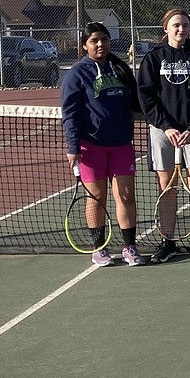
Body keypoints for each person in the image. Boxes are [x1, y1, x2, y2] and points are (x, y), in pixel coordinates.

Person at [60, 22, 149, 267]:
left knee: (126, 195)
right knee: (96, 198)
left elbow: (138, 103)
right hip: (91, 147)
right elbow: (70, 114)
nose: (101, 44)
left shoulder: (120, 69)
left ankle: (130, 248)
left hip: (122, 145)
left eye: (105, 39)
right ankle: (99, 249)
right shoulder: (76, 75)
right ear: (85, 46)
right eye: (94, 41)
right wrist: (73, 147)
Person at [136, 8, 190, 263]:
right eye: (176, 25)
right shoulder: (153, 58)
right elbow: (146, 97)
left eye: (184, 25)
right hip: (164, 132)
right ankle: (168, 241)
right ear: (166, 29)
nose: (181, 29)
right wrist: (166, 126)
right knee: (167, 187)